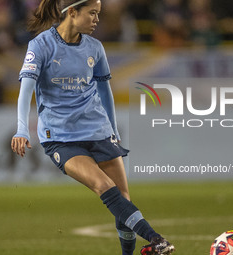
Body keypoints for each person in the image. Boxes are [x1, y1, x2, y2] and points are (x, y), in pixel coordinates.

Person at [10, 1, 175, 254]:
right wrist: (22, 129)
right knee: (103, 186)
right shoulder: (41, 45)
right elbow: (26, 92)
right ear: (73, 12)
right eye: (92, 13)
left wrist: (113, 129)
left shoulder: (95, 48)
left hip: (98, 131)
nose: (97, 19)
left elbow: (104, 89)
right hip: (61, 138)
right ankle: (156, 239)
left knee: (123, 199)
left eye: (98, 13)